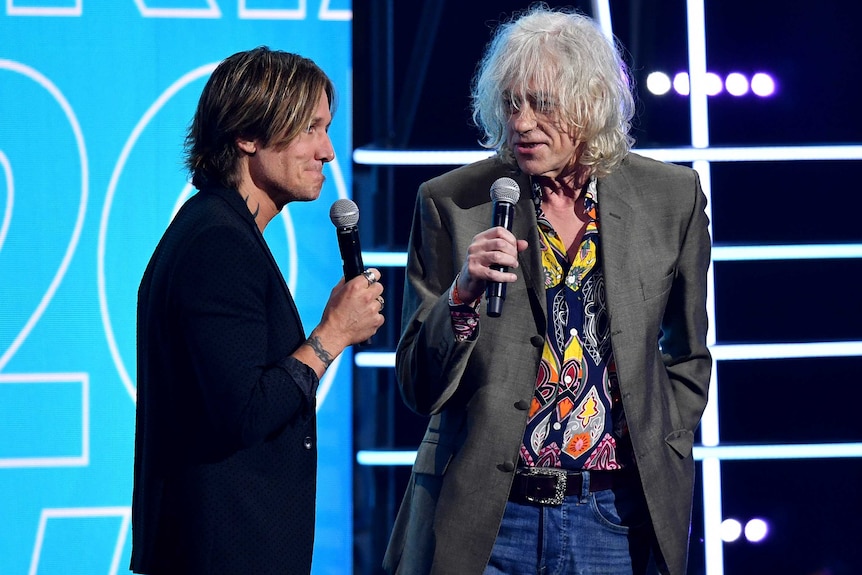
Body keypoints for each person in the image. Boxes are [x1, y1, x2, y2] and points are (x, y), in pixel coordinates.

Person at [384, 6, 711, 575]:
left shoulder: (671, 197)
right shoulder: (452, 203)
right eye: (511, 104)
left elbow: (687, 354)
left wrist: (667, 437)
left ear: (591, 102)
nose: (522, 122)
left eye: (542, 103)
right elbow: (416, 382)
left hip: (617, 515)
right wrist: (461, 295)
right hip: (488, 517)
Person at [130, 46, 385, 575]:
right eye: (310, 129)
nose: (329, 152)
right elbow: (244, 411)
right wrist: (330, 336)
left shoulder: (222, 231)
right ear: (247, 136)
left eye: (328, 128)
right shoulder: (218, 244)